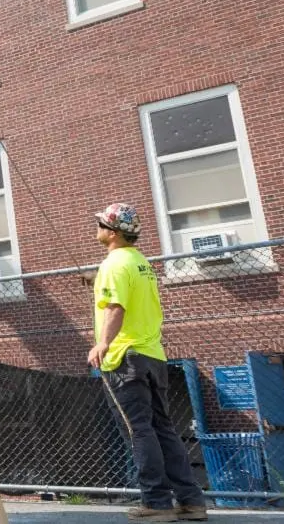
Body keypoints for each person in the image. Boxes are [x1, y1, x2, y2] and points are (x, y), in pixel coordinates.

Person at [88, 203, 207, 522]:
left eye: (100, 223)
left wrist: (103, 343)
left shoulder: (113, 264)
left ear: (112, 232)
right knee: (163, 428)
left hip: (125, 358)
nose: (96, 228)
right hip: (153, 356)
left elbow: (116, 307)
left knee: (138, 430)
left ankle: (156, 502)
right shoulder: (140, 262)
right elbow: (127, 294)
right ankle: (191, 500)